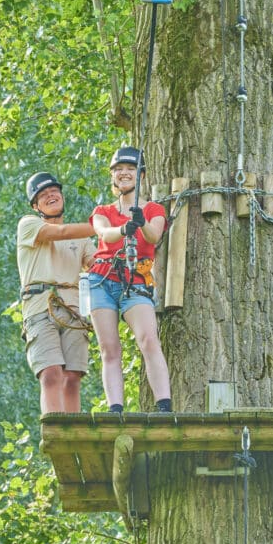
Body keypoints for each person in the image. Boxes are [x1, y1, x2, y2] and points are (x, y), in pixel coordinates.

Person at [88, 147, 172, 413]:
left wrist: (141, 221)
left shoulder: (154, 209)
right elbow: (104, 234)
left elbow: (153, 236)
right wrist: (124, 228)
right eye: (118, 169)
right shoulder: (103, 210)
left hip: (136, 279)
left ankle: (164, 405)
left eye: (130, 169)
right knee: (109, 347)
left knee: (148, 339)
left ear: (141, 175)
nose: (123, 173)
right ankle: (115, 408)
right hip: (102, 279)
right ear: (113, 177)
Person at [17, 171, 96, 414]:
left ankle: (74, 433)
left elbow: (100, 265)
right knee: (51, 373)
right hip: (40, 306)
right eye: (43, 195)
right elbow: (59, 233)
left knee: (72, 376)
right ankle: (54, 427)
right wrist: (104, 226)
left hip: (72, 310)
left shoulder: (81, 239)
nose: (51, 195)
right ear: (36, 205)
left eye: (54, 191)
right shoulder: (29, 225)